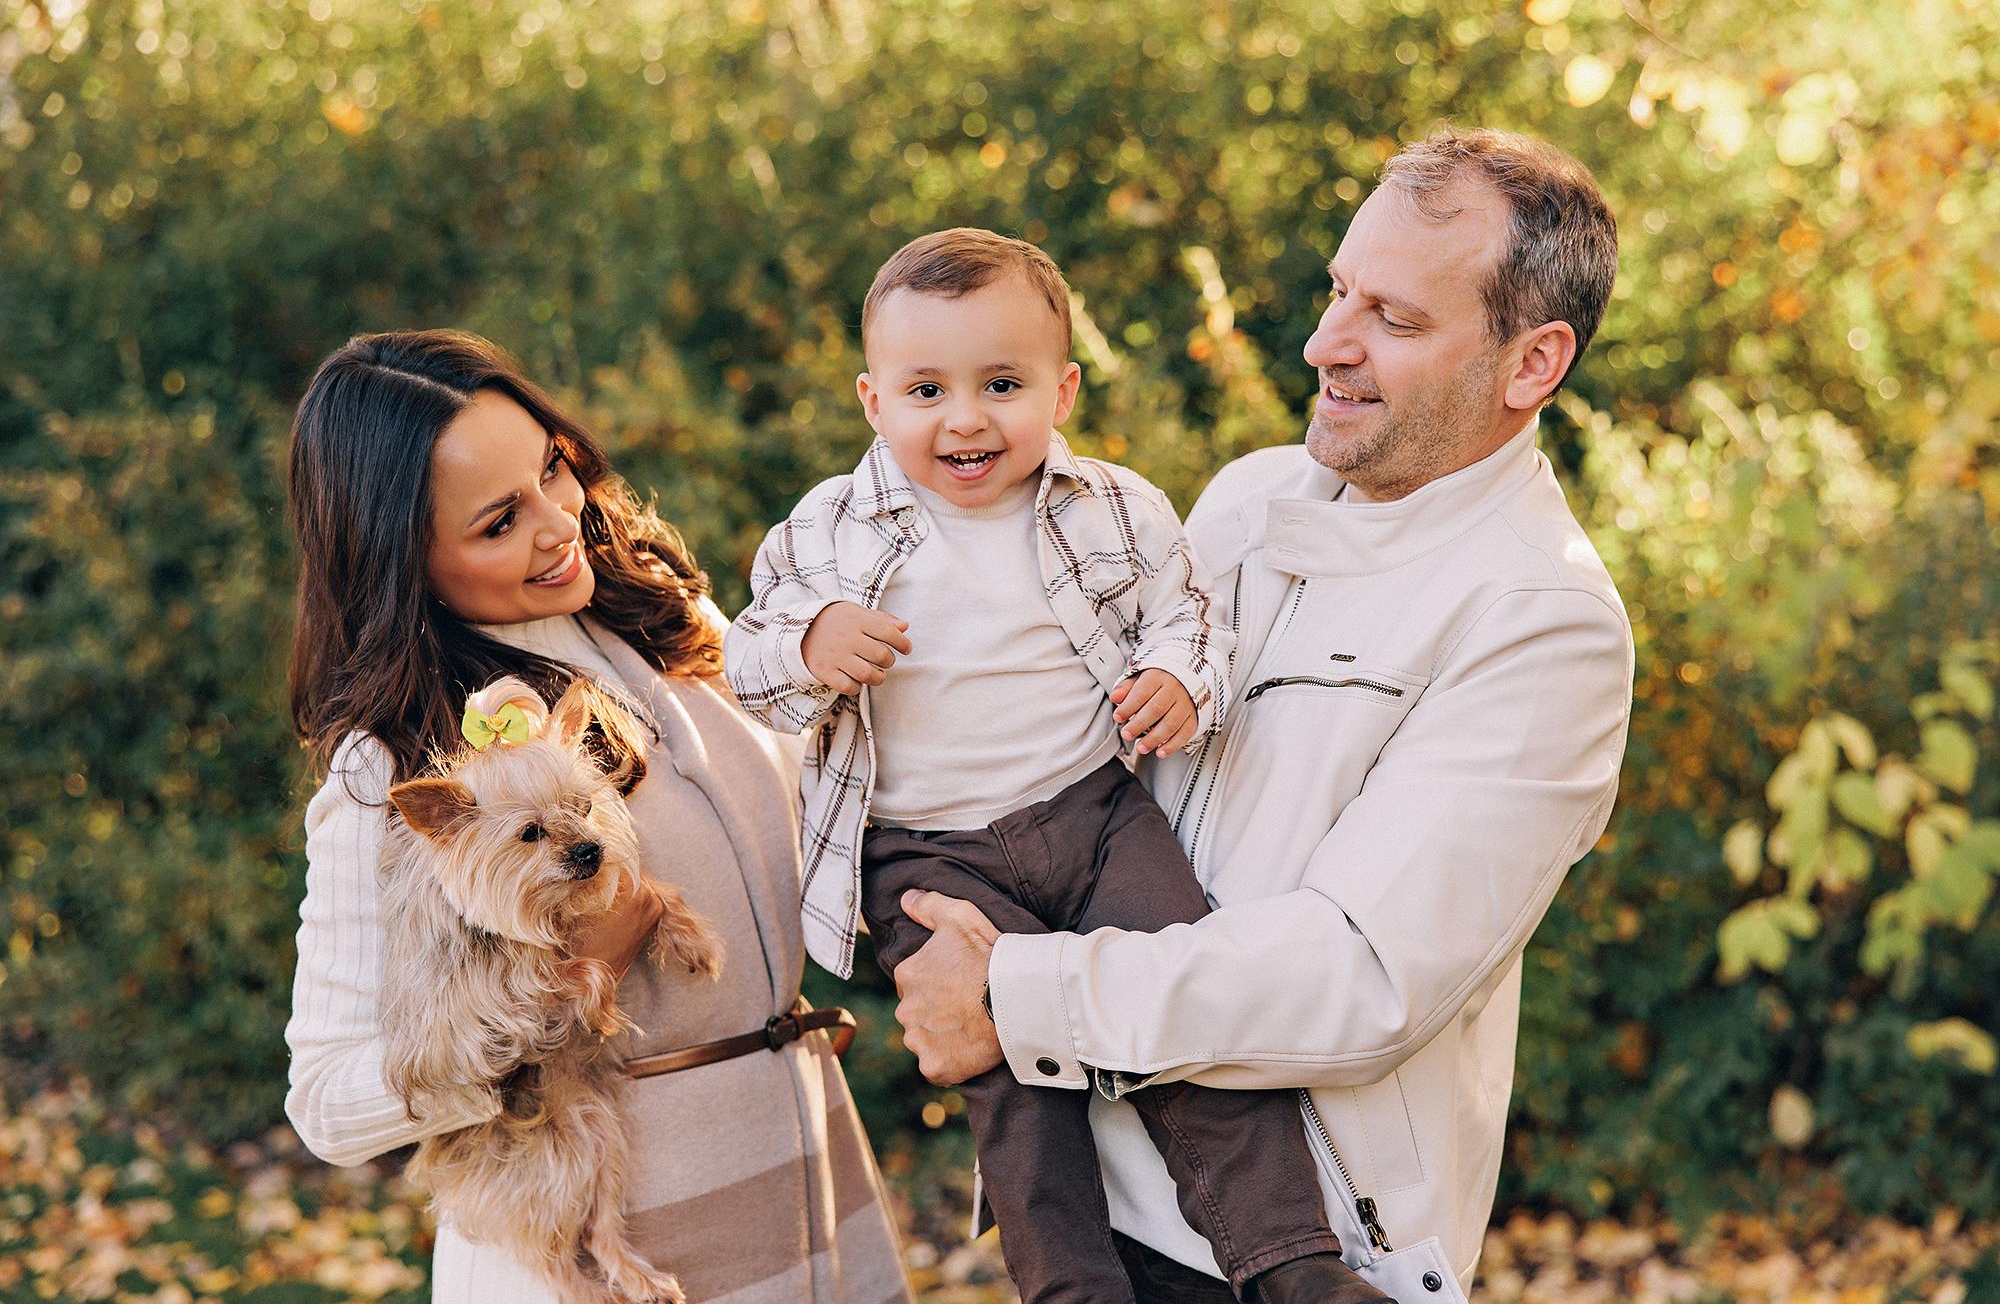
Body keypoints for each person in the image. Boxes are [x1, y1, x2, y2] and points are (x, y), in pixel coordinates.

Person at [886, 127, 1636, 1299]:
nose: (1324, 341)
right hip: (1086, 1192)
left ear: (1528, 362)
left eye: (1393, 317)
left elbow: (1357, 976)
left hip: (1295, 1249)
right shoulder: (1245, 499)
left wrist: (1015, 993)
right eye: (1340, 289)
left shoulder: (1541, 622)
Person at [725, 229, 1384, 1304]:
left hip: (1092, 811)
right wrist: (807, 647)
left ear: (1061, 387)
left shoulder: (1111, 507)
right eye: (925, 388)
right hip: (926, 854)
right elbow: (742, 665)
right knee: (1013, 1096)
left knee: (1189, 1001)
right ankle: (1072, 1290)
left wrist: (1179, 679)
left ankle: (1288, 1262)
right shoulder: (826, 533)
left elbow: (1185, 619)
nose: (965, 417)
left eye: (1000, 383)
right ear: (872, 401)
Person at [282, 330, 911, 1304]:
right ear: (404, 561)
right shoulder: (396, 765)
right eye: (500, 520)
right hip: (609, 1248)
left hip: (809, 1185)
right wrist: (571, 987)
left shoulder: (669, 625)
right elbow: (328, 1102)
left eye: (551, 469)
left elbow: (827, 826)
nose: (557, 521)